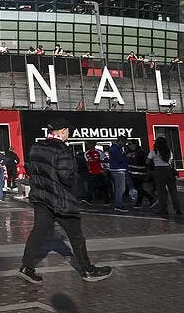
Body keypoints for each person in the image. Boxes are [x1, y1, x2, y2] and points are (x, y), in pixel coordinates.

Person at [19, 116, 112, 283]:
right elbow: (66, 177)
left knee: (38, 233)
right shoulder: (62, 149)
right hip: (61, 199)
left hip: (41, 198)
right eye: (68, 131)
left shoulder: (36, 147)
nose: (68, 134)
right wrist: (75, 182)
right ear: (62, 131)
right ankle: (87, 269)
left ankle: (26, 267)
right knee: (76, 236)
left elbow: (31, 170)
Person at [148, 136, 184, 217]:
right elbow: (170, 160)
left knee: (161, 191)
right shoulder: (169, 151)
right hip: (168, 170)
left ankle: (163, 209)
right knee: (173, 191)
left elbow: (147, 160)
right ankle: (178, 209)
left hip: (158, 171)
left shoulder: (154, 152)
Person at [107, 136, 135, 211]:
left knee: (119, 188)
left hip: (116, 169)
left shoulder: (113, 148)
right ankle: (118, 205)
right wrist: (127, 156)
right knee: (121, 188)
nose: (124, 145)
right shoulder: (116, 149)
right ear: (120, 141)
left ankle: (119, 202)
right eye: (124, 143)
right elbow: (120, 159)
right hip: (118, 170)